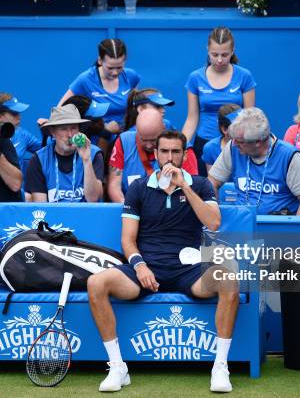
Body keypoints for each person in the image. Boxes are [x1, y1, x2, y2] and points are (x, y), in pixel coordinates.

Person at [88, 130, 239, 393]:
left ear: (185, 154)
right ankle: (117, 366)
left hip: (189, 270)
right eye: (164, 151)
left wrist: (184, 186)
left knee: (228, 279)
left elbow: (213, 223)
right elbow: (128, 241)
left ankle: (220, 366)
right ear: (155, 154)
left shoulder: (201, 185)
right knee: (96, 283)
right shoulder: (138, 187)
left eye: (175, 152)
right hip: (146, 270)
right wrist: (140, 266)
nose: (169, 157)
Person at [208, 107, 300, 215]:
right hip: (241, 223)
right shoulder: (233, 147)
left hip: (277, 226)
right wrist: (214, 217)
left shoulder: (290, 157)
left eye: (240, 141)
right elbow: (211, 182)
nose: (235, 143)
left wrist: (293, 230)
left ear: (258, 142)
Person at [182, 26, 257, 176]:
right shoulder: (195, 78)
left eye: (225, 54)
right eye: (214, 54)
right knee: (204, 193)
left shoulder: (244, 76)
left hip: (236, 144)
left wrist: (250, 145)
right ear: (207, 50)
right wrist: (181, 146)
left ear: (233, 51)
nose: (220, 60)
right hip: (204, 143)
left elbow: (250, 117)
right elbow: (192, 118)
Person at [107, 108, 198, 203]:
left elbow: (192, 190)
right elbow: (114, 186)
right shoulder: (124, 141)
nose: (149, 145)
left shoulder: (181, 149)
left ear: (163, 129)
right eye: (143, 140)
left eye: (153, 140)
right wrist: (128, 207)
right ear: (136, 131)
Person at [58, 38, 140, 139]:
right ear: (100, 60)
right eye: (110, 68)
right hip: (95, 142)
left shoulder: (131, 76)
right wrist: (104, 129)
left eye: (119, 67)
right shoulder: (85, 79)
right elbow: (60, 110)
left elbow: (136, 109)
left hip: (125, 139)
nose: (115, 72)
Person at [25, 104, 104, 202]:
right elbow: (42, 207)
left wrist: (86, 160)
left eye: (73, 128)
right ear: (52, 132)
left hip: (86, 216)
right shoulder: (39, 159)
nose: (70, 135)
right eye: (63, 129)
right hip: (54, 216)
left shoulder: (94, 154)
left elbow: (93, 199)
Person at [0, 93, 38, 200]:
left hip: (16, 194)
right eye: (14, 113)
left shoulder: (22, 134)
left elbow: (46, 150)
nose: (19, 116)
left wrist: (47, 134)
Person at [202, 103, 240, 173]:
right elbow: (212, 181)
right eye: (238, 126)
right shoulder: (210, 148)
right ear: (225, 129)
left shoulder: (250, 147)